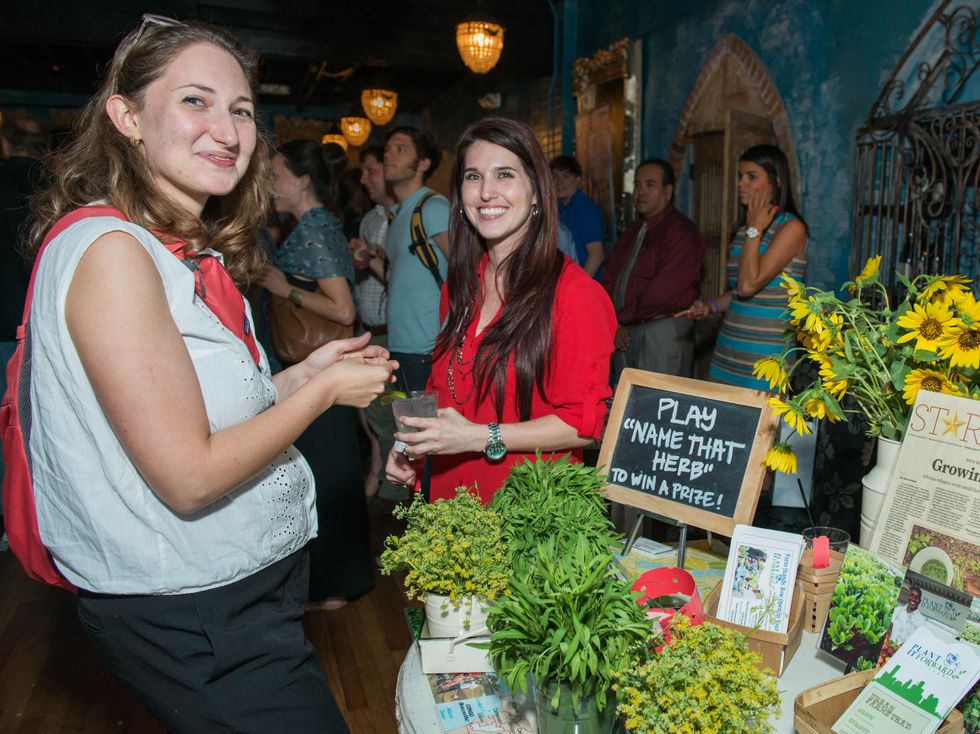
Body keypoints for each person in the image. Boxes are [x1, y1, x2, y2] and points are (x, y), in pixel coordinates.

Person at [24, 17, 392, 732]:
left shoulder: (169, 251)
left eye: (242, 110)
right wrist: (319, 394)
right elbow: (189, 475)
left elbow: (205, 411)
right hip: (196, 615)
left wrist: (299, 374)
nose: (226, 129)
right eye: (195, 101)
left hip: (235, 606)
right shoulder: (113, 254)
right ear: (126, 115)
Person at [386, 118, 616, 503]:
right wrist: (417, 449)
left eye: (504, 174)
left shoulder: (575, 295)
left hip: (527, 520)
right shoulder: (461, 285)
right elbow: (446, 394)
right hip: (451, 506)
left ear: (537, 192)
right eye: (473, 177)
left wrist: (480, 437)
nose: (487, 192)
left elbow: (585, 425)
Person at [259, 139, 373, 612]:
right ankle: (336, 582)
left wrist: (286, 290)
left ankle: (333, 587)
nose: (268, 183)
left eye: (276, 174)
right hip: (318, 366)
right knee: (328, 470)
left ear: (303, 180)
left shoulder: (315, 227)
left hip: (322, 364)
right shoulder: (312, 225)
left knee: (326, 473)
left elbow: (343, 309)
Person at [676, 144, 808, 389]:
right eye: (740, 176)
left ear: (776, 181)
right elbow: (739, 292)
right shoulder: (745, 230)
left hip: (766, 358)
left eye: (752, 177)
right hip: (729, 351)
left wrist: (755, 229)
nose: (740, 184)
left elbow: (749, 285)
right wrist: (710, 306)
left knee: (758, 426)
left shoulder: (791, 228)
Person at [601, 159, 705, 377]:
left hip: (661, 329)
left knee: (659, 403)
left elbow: (664, 293)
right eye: (637, 185)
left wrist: (622, 318)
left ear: (668, 192)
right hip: (625, 331)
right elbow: (610, 276)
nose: (641, 192)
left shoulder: (681, 232)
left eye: (650, 185)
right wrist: (613, 322)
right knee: (627, 402)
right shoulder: (635, 229)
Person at [379, 126, 450, 392]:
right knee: (410, 429)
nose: (388, 156)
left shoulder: (431, 208)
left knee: (427, 430)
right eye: (387, 149)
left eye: (400, 149)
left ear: (423, 163)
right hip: (402, 345)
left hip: (427, 348)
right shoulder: (399, 214)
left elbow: (469, 271)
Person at [551, 154, 605, 277]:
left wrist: (579, 287)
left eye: (566, 176)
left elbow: (597, 255)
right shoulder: (558, 207)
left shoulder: (585, 209)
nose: (559, 182)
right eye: (555, 176)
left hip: (585, 285)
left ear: (578, 179)